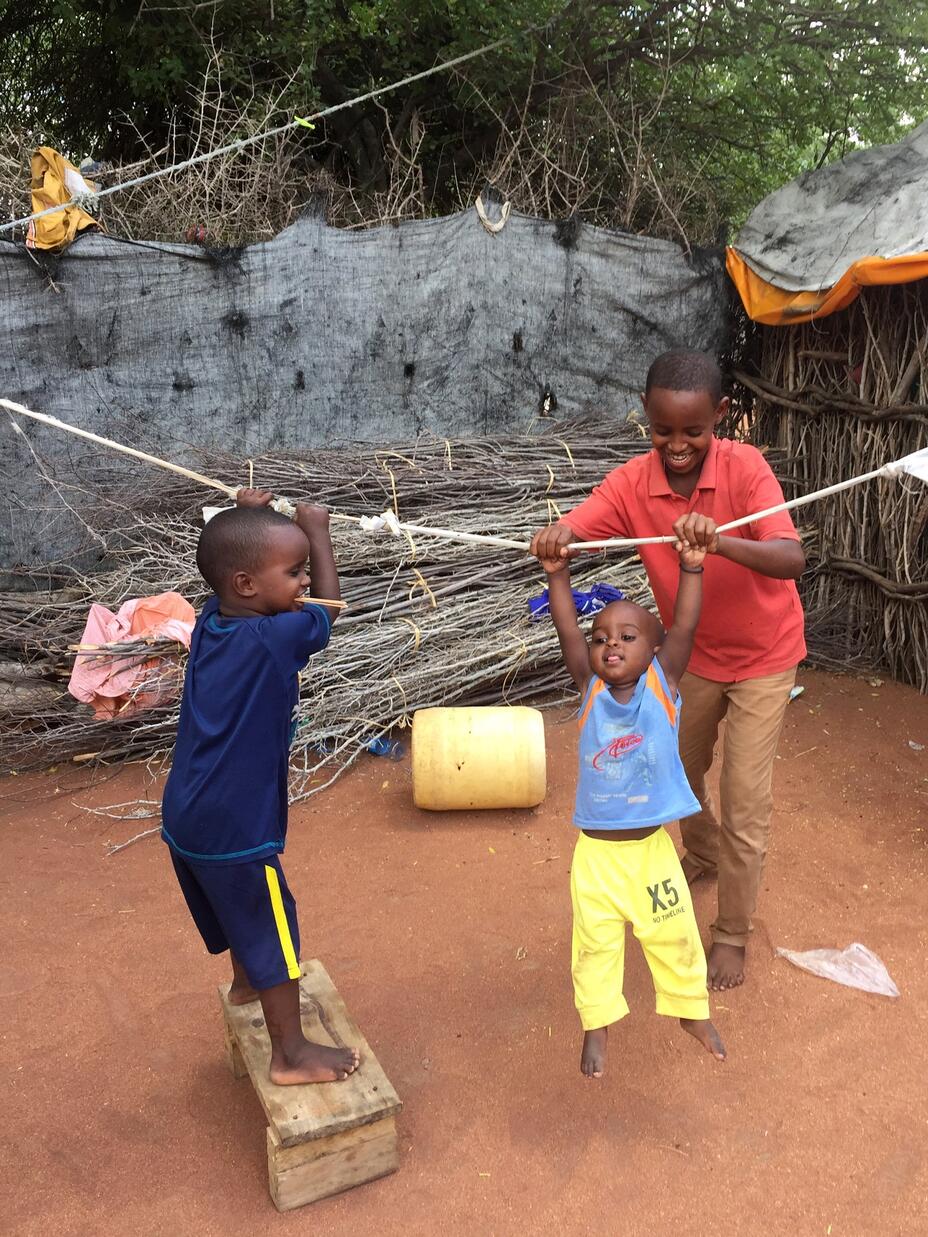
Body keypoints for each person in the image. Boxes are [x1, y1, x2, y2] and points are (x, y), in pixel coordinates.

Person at [531, 349, 805, 992]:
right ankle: (702, 853)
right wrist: (557, 535)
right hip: (689, 662)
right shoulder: (633, 484)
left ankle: (732, 933)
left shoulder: (747, 468)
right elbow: (579, 525)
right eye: (663, 430)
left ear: (721, 417)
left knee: (745, 800)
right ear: (646, 420)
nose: (677, 445)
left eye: (693, 431)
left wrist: (718, 541)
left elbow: (790, 559)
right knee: (677, 769)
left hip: (765, 655)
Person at [161, 487, 359, 1085]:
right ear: (247, 584)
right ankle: (291, 1054)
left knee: (237, 910)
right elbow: (329, 605)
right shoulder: (274, 640)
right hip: (235, 828)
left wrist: (251, 517)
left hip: (187, 816)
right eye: (291, 571)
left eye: (302, 568)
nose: (301, 582)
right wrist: (316, 530)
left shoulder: (212, 621)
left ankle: (247, 983)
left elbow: (233, 566)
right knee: (274, 923)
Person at [538, 528, 725, 1078]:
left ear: (654, 650)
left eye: (627, 636)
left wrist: (692, 568)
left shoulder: (662, 688)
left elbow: (685, 626)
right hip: (595, 858)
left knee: (675, 934)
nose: (609, 644)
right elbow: (566, 628)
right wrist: (557, 576)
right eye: (601, 638)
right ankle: (596, 1026)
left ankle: (691, 1011)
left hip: (649, 854)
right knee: (593, 946)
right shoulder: (590, 689)